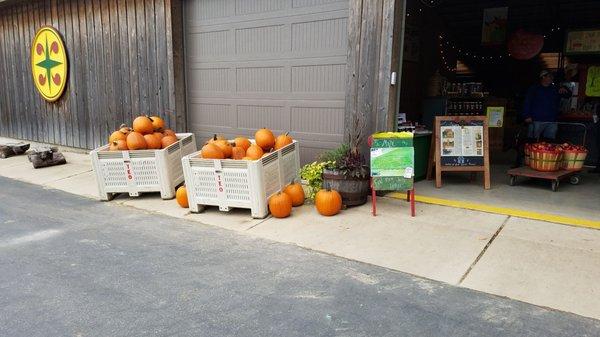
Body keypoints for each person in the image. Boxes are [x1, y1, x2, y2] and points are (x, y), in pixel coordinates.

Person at [521, 69, 571, 141]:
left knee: (549, 142)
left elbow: (568, 95)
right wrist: (526, 115)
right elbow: (527, 102)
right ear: (543, 77)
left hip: (552, 120)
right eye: (549, 76)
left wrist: (565, 89)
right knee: (533, 142)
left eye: (552, 76)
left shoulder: (555, 89)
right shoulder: (534, 88)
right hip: (536, 120)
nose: (552, 78)